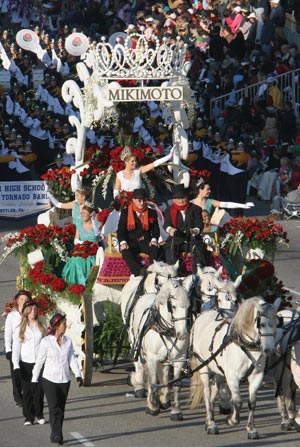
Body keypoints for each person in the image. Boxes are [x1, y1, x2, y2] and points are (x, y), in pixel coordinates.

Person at [31, 313, 83, 445]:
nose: (66, 326)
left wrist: (78, 375)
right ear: (57, 326)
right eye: (64, 324)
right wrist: (34, 379)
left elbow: (72, 358)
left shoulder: (68, 341)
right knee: (54, 407)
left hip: (65, 380)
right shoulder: (46, 342)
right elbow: (39, 362)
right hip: (49, 380)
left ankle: (56, 433)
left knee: (61, 408)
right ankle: (57, 434)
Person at [12, 300, 46, 426]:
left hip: (39, 363)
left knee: (38, 390)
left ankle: (39, 413)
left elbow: (46, 344)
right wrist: (16, 366)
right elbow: (16, 349)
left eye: (35, 310)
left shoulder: (42, 327)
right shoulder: (19, 329)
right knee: (27, 391)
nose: (33, 312)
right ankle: (28, 416)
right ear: (26, 312)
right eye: (31, 310)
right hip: (25, 363)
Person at [117, 188, 160, 276]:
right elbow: (121, 230)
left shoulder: (151, 212)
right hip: (132, 241)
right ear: (133, 200)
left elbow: (156, 230)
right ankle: (138, 272)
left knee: (155, 249)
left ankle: (152, 272)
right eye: (139, 200)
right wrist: (123, 242)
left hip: (146, 241)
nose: (142, 203)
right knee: (125, 251)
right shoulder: (125, 213)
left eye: (143, 200)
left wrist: (154, 239)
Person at [163, 183, 206, 270]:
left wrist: (196, 230)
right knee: (170, 250)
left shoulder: (195, 209)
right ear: (174, 199)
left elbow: (199, 223)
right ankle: (173, 273)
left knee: (199, 248)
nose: (181, 201)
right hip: (176, 239)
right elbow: (166, 224)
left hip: (192, 239)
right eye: (178, 199)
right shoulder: (168, 210)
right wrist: (170, 229)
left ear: (187, 197)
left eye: (183, 198)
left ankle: (199, 272)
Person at [62, 202, 101, 285]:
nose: (82, 215)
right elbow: (76, 240)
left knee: (82, 263)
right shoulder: (79, 225)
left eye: (84, 213)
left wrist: (94, 221)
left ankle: (85, 284)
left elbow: (97, 234)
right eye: (81, 213)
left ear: (91, 214)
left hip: (93, 252)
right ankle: (75, 284)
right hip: (82, 250)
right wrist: (84, 244)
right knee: (75, 260)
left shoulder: (98, 224)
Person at [4, 290, 31, 407]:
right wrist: (8, 349)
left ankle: (29, 396)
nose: (23, 301)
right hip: (15, 350)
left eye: (26, 299)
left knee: (28, 374)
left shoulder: (31, 314)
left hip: (28, 350)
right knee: (16, 375)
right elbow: (7, 333)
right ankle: (18, 397)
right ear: (17, 301)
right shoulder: (12, 316)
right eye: (21, 299)